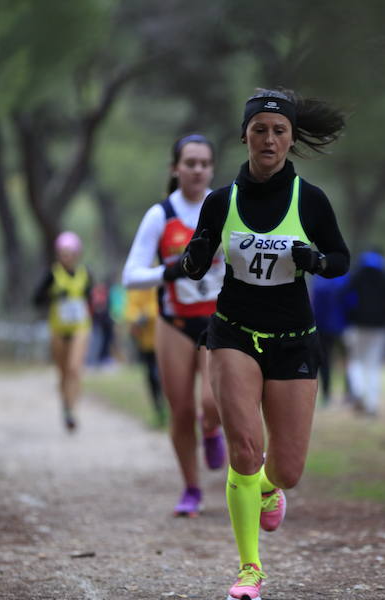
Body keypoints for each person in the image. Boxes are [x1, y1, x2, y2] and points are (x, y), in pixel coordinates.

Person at [180, 88, 349, 600]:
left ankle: (271, 490)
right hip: (232, 332)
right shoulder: (220, 201)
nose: (269, 138)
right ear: (245, 136)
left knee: (288, 469)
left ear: (291, 139)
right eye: (260, 129)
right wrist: (196, 253)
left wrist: (315, 261)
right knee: (246, 449)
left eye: (279, 130)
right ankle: (249, 569)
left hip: (294, 339)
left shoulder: (311, 200)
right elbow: (195, 261)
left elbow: (340, 259)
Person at [122, 133, 227, 517]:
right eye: (190, 163)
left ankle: (213, 428)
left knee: (211, 401)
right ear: (175, 168)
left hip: (219, 320)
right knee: (181, 410)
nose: (198, 169)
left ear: (212, 168)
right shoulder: (160, 215)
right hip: (175, 322)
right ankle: (191, 489)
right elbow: (131, 275)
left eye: (204, 163)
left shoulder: (227, 206)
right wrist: (170, 270)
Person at [32, 231, 94, 432]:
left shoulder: (85, 274)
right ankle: (66, 405)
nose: (67, 257)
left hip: (80, 327)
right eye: (63, 253)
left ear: (77, 254)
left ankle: (71, 411)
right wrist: (56, 296)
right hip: (58, 328)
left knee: (74, 368)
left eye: (70, 253)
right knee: (63, 372)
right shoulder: (52, 275)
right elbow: (36, 300)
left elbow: (91, 299)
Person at [341, 248, 385, 416]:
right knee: (374, 366)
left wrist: (349, 317)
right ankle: (372, 405)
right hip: (381, 329)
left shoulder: (356, 276)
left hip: (357, 326)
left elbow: (343, 297)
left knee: (355, 361)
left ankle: (359, 392)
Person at [124, 286, 166, 426]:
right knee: (151, 377)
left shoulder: (157, 286)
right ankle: (158, 410)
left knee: (161, 376)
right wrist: (137, 317)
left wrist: (146, 314)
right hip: (146, 343)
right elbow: (130, 310)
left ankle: (167, 410)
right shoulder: (135, 290)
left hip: (163, 343)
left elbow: (160, 305)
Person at [309, 271, 350, 407]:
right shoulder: (344, 278)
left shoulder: (319, 280)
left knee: (325, 362)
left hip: (323, 327)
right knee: (347, 360)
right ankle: (348, 394)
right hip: (343, 326)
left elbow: (315, 305)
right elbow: (351, 301)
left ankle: (327, 395)